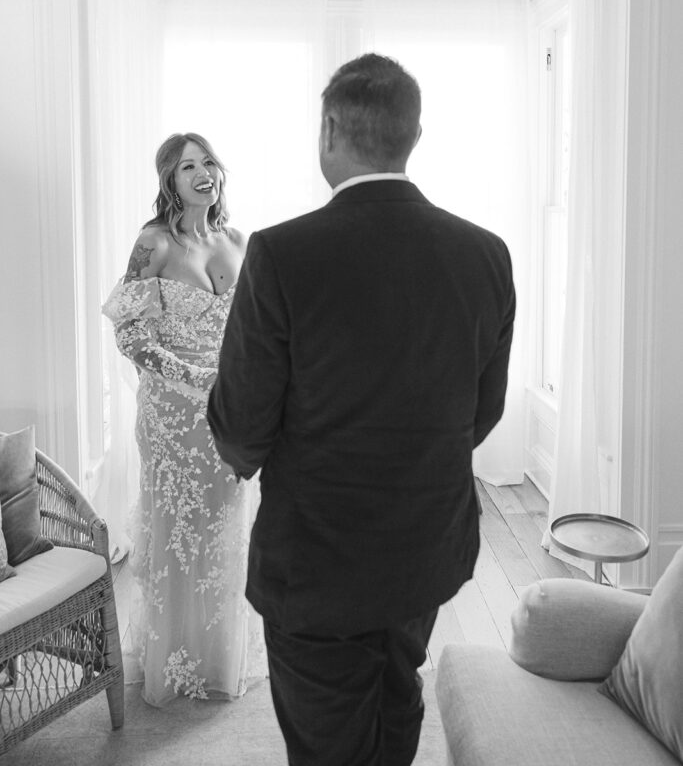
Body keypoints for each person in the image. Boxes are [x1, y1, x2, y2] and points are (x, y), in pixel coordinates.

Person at [207, 55, 515, 766]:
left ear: (329, 131)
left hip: (318, 560)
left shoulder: (282, 254)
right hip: (426, 546)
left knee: (325, 736)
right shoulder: (485, 253)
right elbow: (483, 410)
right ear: (412, 134)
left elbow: (243, 431)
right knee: (395, 686)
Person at [103, 132, 265, 706]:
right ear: (169, 180)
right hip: (173, 412)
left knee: (224, 529)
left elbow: (252, 328)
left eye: (209, 162)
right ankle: (171, 663)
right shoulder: (155, 243)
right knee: (177, 530)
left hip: (230, 410)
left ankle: (219, 660)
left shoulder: (238, 240)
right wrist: (196, 379)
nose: (203, 172)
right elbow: (130, 335)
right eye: (186, 166)